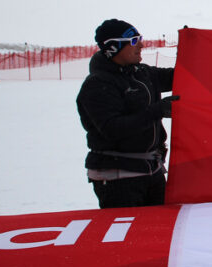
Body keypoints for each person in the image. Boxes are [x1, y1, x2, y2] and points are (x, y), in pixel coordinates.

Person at [76, 19, 178, 208]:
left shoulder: (141, 73)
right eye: (133, 41)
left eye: (139, 38)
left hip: (151, 171)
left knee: (158, 233)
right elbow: (113, 129)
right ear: (113, 48)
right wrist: (157, 111)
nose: (141, 44)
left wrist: (191, 52)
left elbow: (178, 77)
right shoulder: (98, 84)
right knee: (134, 235)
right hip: (118, 179)